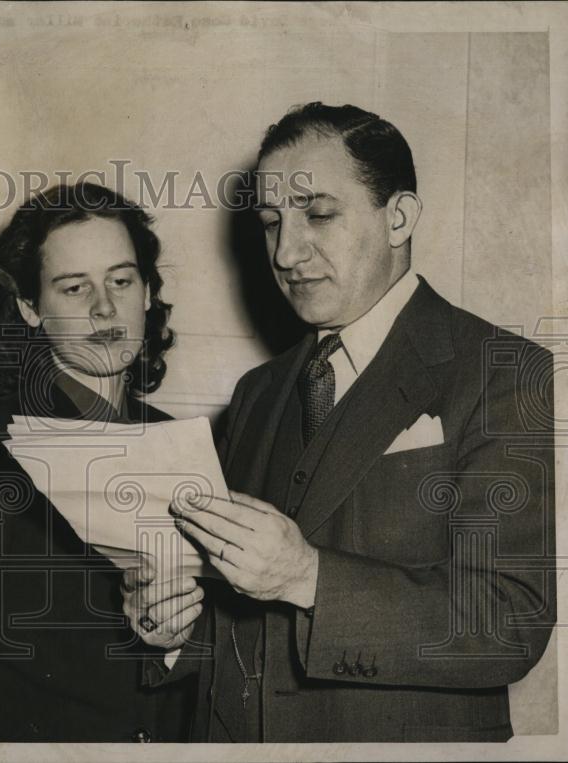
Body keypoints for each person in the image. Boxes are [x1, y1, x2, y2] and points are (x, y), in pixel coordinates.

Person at [123, 102, 555, 742]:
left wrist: (309, 577)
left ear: (399, 217)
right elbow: (244, 626)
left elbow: (509, 622)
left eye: (319, 214)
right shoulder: (257, 393)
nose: (287, 252)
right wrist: (175, 631)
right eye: (270, 222)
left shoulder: (504, 371)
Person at [0, 182, 197, 742]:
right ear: (30, 307)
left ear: (148, 292)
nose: (105, 307)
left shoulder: (186, 443)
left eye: (121, 279)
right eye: (73, 287)